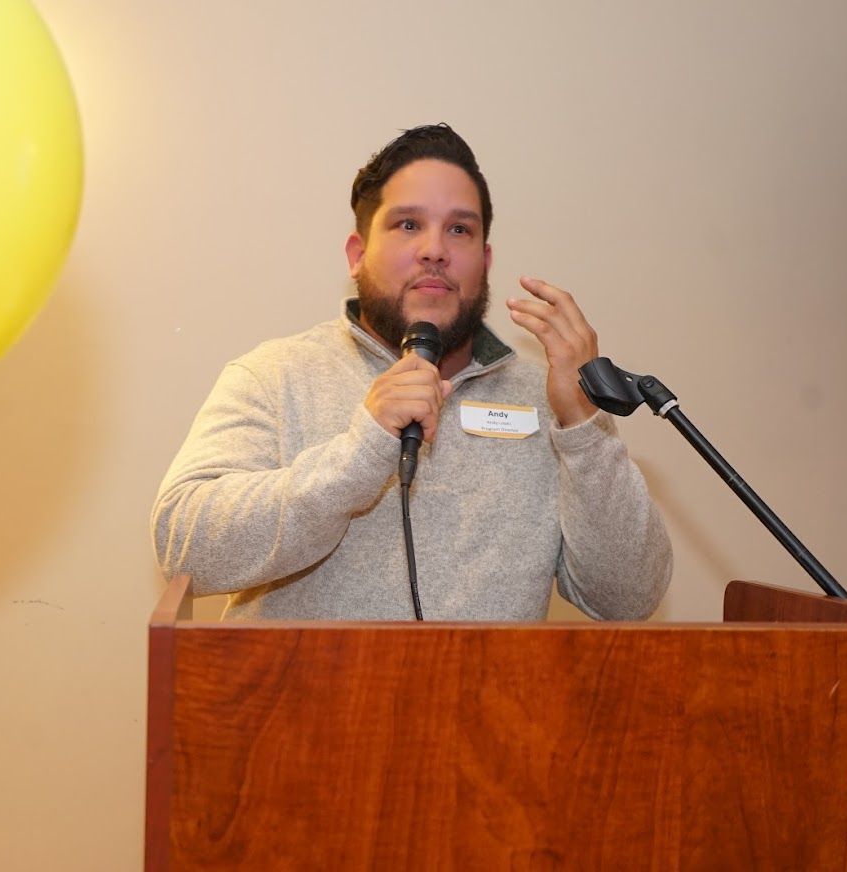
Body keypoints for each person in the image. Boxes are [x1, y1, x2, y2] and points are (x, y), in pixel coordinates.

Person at [151, 124, 671, 621]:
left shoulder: (546, 400)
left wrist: (584, 426)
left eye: (459, 229)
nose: (435, 250)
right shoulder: (276, 374)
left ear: (484, 260)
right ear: (357, 256)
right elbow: (184, 548)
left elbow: (628, 597)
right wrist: (361, 451)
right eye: (408, 225)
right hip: (303, 711)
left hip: (492, 713)